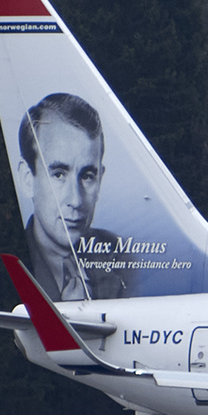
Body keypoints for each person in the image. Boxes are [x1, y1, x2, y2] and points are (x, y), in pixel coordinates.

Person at [15, 93, 132, 300]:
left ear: (100, 180)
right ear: (27, 179)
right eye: (59, 174)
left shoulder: (125, 256)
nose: (76, 201)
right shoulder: (12, 264)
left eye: (87, 176)